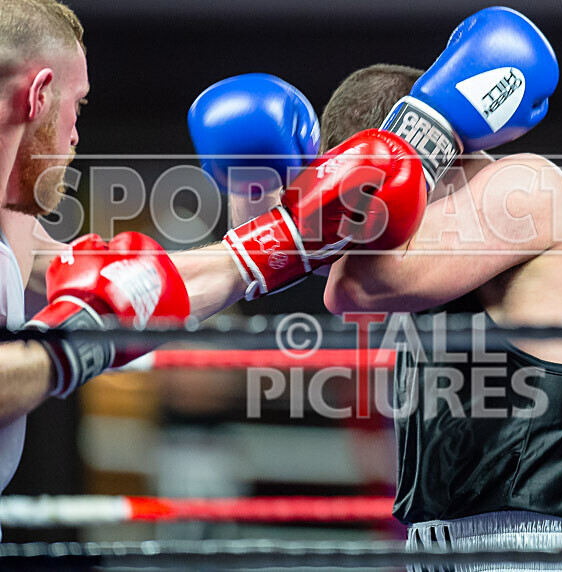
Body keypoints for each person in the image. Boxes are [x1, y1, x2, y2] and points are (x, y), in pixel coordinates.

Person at [0, 0, 427, 526]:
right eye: (78, 106)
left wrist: (285, 232)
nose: (75, 134)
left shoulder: (18, 228)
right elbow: (106, 306)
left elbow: (130, 282)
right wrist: (80, 339)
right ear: (40, 94)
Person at [322, 64, 562, 571]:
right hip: (431, 545)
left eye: (369, 183)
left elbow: (348, 287)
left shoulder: (526, 187)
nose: (366, 209)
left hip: (518, 546)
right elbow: (315, 267)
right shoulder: (419, 242)